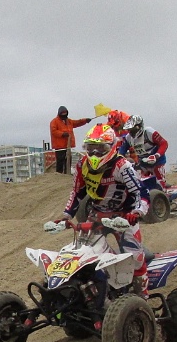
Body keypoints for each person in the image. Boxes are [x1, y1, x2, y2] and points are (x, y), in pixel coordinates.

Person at [59, 124, 152, 297]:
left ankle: (143, 300)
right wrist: (66, 214)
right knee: (83, 254)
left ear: (111, 147)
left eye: (100, 149)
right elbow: (77, 192)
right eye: (91, 148)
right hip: (97, 215)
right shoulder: (82, 166)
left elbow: (141, 192)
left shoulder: (122, 166)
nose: (94, 154)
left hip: (123, 217)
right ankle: (96, 290)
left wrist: (137, 212)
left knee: (136, 260)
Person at [120, 115, 170, 191]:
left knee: (159, 182)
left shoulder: (149, 132)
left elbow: (164, 143)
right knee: (138, 181)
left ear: (139, 126)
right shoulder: (128, 137)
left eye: (133, 129)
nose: (131, 132)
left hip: (157, 161)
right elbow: (122, 150)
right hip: (142, 162)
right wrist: (120, 158)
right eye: (129, 129)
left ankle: (163, 196)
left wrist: (156, 155)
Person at [50, 106, 92, 174]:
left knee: (68, 160)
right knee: (60, 161)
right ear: (59, 113)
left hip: (68, 145)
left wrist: (85, 120)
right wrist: (62, 134)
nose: (64, 115)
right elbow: (53, 131)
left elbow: (77, 122)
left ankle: (67, 173)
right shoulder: (54, 121)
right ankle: (59, 174)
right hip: (59, 146)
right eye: (62, 113)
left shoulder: (69, 121)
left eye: (65, 113)